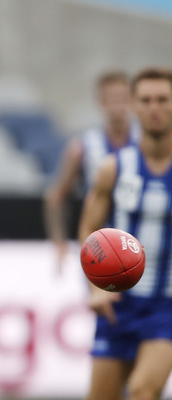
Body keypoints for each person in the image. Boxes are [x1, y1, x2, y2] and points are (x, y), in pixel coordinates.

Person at [78, 67, 172, 400]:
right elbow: (90, 229)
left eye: (163, 99)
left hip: (166, 307)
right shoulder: (114, 168)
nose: (154, 108)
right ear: (134, 105)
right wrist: (96, 288)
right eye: (146, 100)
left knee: (144, 391)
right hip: (118, 304)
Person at [44, 70, 138, 273]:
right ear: (101, 103)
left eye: (122, 99)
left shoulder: (146, 143)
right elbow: (56, 197)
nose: (117, 105)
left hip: (141, 242)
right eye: (111, 99)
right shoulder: (83, 146)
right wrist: (59, 245)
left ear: (131, 101)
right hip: (100, 248)